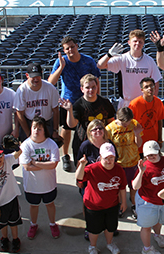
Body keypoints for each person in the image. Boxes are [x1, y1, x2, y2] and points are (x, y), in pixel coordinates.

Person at [48, 36, 101, 172]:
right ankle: (66, 155)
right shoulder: (61, 61)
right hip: (68, 101)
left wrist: (97, 98)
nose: (70, 50)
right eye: (67, 48)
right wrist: (61, 67)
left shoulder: (88, 60)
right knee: (66, 128)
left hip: (86, 100)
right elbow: (51, 82)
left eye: (72, 46)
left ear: (77, 46)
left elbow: (96, 80)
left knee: (87, 127)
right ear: (64, 50)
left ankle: (88, 153)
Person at [75, 143, 127, 254]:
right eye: (106, 158)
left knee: (110, 227)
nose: (109, 161)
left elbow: (122, 187)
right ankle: (92, 247)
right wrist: (82, 165)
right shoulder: (92, 168)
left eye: (111, 158)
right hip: (94, 206)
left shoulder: (119, 169)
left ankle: (110, 243)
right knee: (94, 229)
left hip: (112, 205)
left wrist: (123, 202)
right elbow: (79, 178)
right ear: (100, 157)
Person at [132, 140, 164, 254]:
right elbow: (135, 186)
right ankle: (147, 249)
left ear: (159, 151)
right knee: (146, 226)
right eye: (148, 155)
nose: (151, 156)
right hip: (147, 201)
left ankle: (157, 235)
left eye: (153, 153)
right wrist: (141, 172)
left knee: (159, 221)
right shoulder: (144, 167)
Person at [97, 29, 162, 109]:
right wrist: (109, 55)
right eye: (135, 41)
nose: (137, 43)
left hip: (143, 102)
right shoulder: (121, 59)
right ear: (129, 42)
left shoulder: (149, 61)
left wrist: (152, 101)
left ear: (143, 44)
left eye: (140, 41)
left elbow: (156, 82)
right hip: (126, 103)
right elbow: (100, 65)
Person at [19, 116, 61, 239]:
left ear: (44, 130)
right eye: (34, 128)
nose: (36, 131)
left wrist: (36, 163)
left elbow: (53, 164)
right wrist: (45, 165)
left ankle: (53, 224)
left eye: (40, 128)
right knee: (33, 206)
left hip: (48, 185)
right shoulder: (26, 145)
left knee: (50, 204)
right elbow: (26, 166)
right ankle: (33, 224)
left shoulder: (51, 144)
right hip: (32, 186)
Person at [61, 74, 116, 161]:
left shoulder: (105, 102)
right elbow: (71, 125)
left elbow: (111, 122)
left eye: (93, 87)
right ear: (82, 89)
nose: (91, 90)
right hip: (83, 144)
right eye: (87, 87)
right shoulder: (78, 105)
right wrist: (69, 111)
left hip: (102, 144)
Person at [106, 107, 142, 215]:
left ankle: (134, 205)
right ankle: (120, 205)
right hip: (118, 164)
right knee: (118, 187)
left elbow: (139, 144)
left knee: (133, 186)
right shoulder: (109, 129)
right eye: (123, 122)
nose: (126, 125)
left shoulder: (134, 124)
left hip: (132, 161)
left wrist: (137, 134)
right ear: (117, 118)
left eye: (128, 122)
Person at [14, 63, 60, 140]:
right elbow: (19, 113)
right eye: (33, 76)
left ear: (41, 74)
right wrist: (28, 133)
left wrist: (55, 130)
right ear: (27, 75)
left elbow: (55, 110)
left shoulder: (50, 88)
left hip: (46, 122)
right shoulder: (22, 90)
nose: (36, 79)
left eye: (37, 76)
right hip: (29, 122)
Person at [128, 77, 164, 153]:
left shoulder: (158, 102)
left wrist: (160, 139)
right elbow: (130, 124)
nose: (150, 88)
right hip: (139, 142)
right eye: (146, 87)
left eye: (151, 86)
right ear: (142, 90)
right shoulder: (134, 104)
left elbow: (160, 121)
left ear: (155, 87)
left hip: (153, 141)